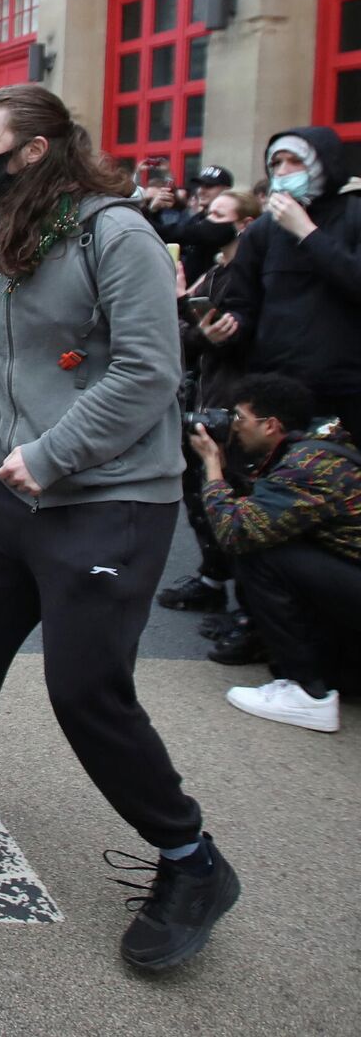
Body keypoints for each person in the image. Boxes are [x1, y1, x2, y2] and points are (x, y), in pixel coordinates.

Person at [0, 84, 239, 974]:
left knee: (85, 689)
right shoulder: (4, 231)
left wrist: (51, 454)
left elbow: (148, 373)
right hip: (24, 493)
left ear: (35, 151)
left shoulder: (114, 234)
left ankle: (189, 859)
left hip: (111, 498)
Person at [186, 373, 358, 732]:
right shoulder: (317, 444)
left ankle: (308, 695)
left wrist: (213, 467)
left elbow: (235, 532)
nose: (232, 426)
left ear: (271, 426)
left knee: (260, 553)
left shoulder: (306, 468)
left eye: (239, 418)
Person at [157, 189, 264, 618]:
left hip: (232, 398)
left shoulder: (250, 276)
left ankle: (247, 602)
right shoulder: (214, 270)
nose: (206, 219)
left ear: (245, 224)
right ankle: (212, 577)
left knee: (230, 491)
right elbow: (187, 335)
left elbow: (224, 338)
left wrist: (190, 318)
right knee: (198, 493)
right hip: (203, 392)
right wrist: (184, 305)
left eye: (219, 214)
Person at [212, 127, 361, 429]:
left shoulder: (354, 215)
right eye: (276, 162)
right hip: (277, 388)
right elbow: (244, 303)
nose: (283, 171)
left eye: (295, 161)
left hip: (345, 389)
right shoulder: (262, 231)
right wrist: (226, 328)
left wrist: (307, 232)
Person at [148, 164, 235, 284]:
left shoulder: (227, 223)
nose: (201, 190)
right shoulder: (197, 218)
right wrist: (153, 211)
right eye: (200, 185)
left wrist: (146, 213)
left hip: (211, 295)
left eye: (209, 186)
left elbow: (173, 234)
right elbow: (168, 239)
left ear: (226, 190)